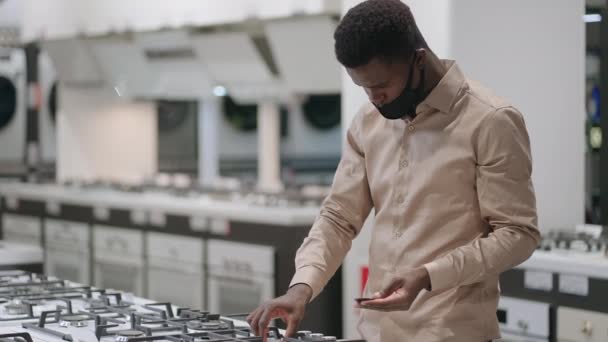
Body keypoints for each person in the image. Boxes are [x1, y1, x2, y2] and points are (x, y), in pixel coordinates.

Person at [247, 0, 540, 341]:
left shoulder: (490, 120)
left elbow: (518, 235)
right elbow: (339, 217)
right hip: (377, 332)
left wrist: (430, 275)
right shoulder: (368, 123)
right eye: (363, 88)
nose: (374, 98)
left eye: (381, 85)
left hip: (453, 333)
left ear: (418, 59)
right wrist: (302, 286)